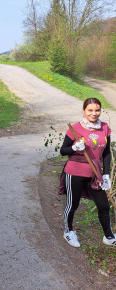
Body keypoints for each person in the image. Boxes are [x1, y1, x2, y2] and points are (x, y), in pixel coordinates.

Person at [59, 97, 116, 247]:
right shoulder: (76, 128)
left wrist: (105, 174)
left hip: (95, 175)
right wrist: (73, 148)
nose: (94, 113)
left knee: (103, 205)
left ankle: (109, 236)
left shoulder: (104, 127)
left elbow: (106, 153)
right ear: (84, 111)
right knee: (73, 204)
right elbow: (63, 151)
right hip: (75, 172)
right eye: (90, 110)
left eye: (97, 110)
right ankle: (68, 232)